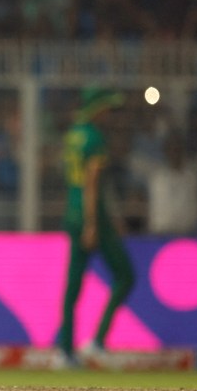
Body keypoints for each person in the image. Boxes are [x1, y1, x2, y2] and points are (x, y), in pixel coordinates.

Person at [55, 86, 135, 368]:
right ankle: (97, 343)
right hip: (92, 217)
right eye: (107, 108)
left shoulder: (73, 135)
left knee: (73, 285)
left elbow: (75, 181)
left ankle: (65, 351)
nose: (109, 114)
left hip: (72, 212)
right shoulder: (95, 138)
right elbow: (92, 183)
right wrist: (93, 223)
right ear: (98, 108)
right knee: (125, 275)